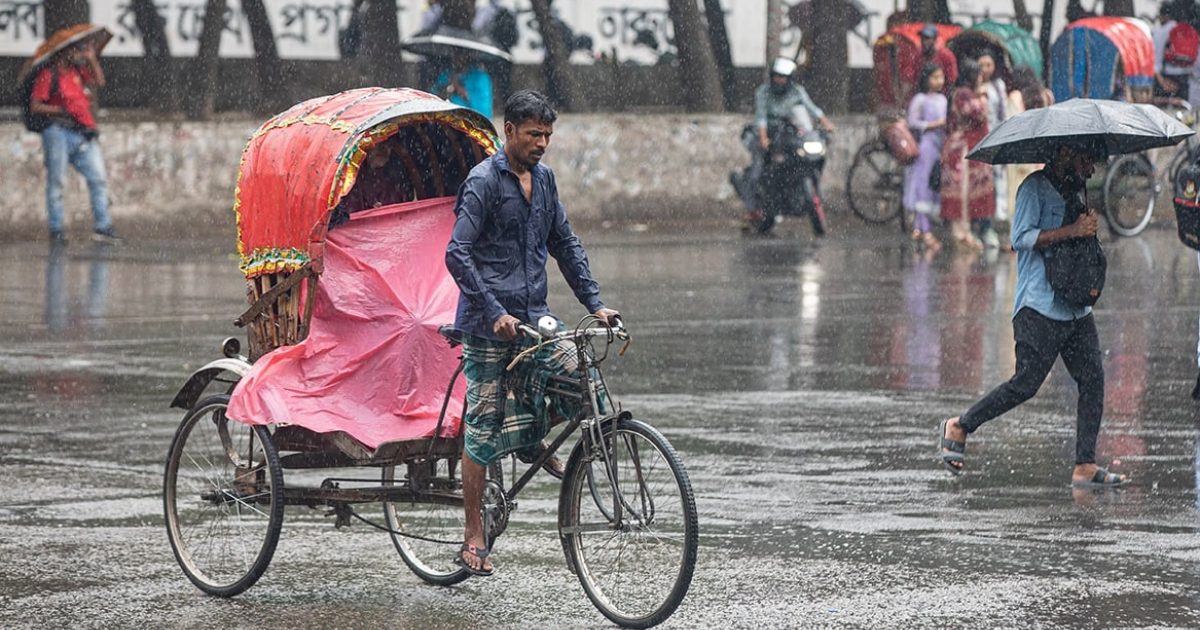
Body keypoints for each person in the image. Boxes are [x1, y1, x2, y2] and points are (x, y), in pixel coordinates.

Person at [445, 90, 620, 576]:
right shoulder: (482, 182)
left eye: (547, 135)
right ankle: (474, 534)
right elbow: (457, 255)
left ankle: (531, 437)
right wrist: (494, 309)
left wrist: (596, 303)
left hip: (535, 320)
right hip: (487, 325)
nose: (542, 143)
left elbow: (564, 242)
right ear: (509, 132)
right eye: (533, 134)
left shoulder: (544, 182)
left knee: (581, 378)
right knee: (479, 430)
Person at [938, 140, 1129, 488]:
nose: (1091, 169)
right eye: (1086, 159)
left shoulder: (1077, 189)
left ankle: (1084, 464)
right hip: (1039, 307)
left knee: (1093, 379)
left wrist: (1087, 228)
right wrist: (1072, 230)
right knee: (1026, 384)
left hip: (1076, 308)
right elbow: (1021, 238)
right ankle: (961, 425)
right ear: (1067, 154)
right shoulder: (1033, 189)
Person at [29, 40, 116, 243]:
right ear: (63, 52)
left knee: (98, 179)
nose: (78, 53)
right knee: (57, 182)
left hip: (83, 132)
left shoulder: (78, 72)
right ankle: (57, 229)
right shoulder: (48, 75)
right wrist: (60, 110)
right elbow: (36, 106)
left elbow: (99, 82)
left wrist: (92, 59)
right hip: (58, 131)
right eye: (74, 49)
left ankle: (103, 226)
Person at [736, 57, 835, 220]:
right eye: (777, 76)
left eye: (783, 77)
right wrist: (763, 137)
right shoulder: (763, 92)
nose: (780, 80)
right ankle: (753, 208)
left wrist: (826, 124)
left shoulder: (797, 91)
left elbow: (812, 109)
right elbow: (761, 117)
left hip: (788, 133)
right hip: (767, 134)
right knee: (757, 170)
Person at [939, 58, 993, 251]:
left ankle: (965, 231)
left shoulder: (966, 93)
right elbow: (977, 113)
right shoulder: (963, 94)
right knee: (960, 192)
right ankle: (959, 233)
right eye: (978, 74)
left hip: (968, 148)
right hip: (960, 150)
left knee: (967, 193)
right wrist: (983, 99)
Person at [903, 64, 947, 252]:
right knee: (922, 187)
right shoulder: (920, 100)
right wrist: (934, 124)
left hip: (940, 146)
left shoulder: (943, 99)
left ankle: (920, 228)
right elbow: (912, 122)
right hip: (927, 146)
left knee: (932, 187)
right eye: (935, 77)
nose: (939, 81)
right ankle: (925, 229)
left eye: (941, 77)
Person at [1005, 66, 1054, 220]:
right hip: (1042, 151)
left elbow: (1011, 125)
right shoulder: (1046, 95)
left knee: (1019, 193)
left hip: (1021, 153)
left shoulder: (1015, 97)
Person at [976, 52, 1007, 243]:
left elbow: (1002, 112)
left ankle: (996, 220)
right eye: (982, 65)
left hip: (997, 135)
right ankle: (982, 223)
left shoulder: (998, 86)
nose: (985, 69)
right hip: (981, 138)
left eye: (989, 64)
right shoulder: (974, 88)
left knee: (998, 180)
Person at [432, 51, 494, 119]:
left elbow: (479, 102)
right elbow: (435, 94)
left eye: (461, 56)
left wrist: (457, 86)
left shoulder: (479, 77)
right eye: (455, 56)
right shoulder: (446, 75)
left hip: (470, 119)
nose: (457, 59)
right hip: (447, 118)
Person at [917, 23, 958, 97]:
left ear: (935, 39)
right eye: (922, 38)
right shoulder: (918, 55)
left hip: (942, 96)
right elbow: (913, 79)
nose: (923, 41)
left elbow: (952, 80)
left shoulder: (946, 55)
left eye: (927, 38)